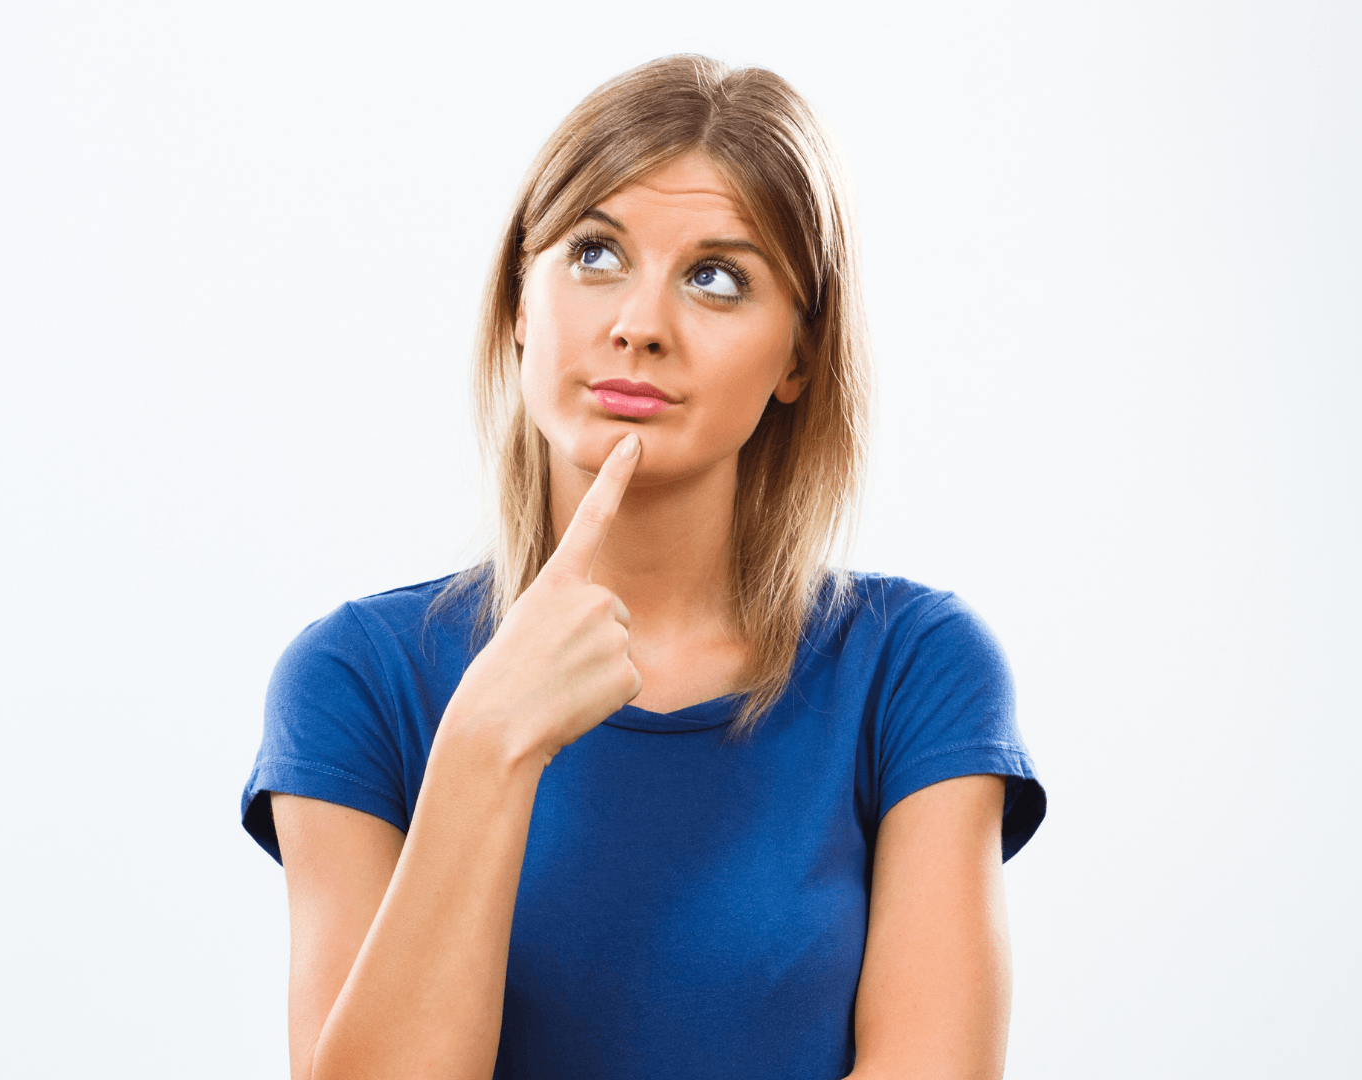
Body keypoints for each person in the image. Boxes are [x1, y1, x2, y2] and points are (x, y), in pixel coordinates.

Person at [240, 54, 1046, 1080]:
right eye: (593, 253)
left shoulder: (913, 673)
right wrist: (488, 746)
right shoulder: (355, 682)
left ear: (798, 356)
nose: (639, 326)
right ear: (519, 304)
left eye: (718, 278)